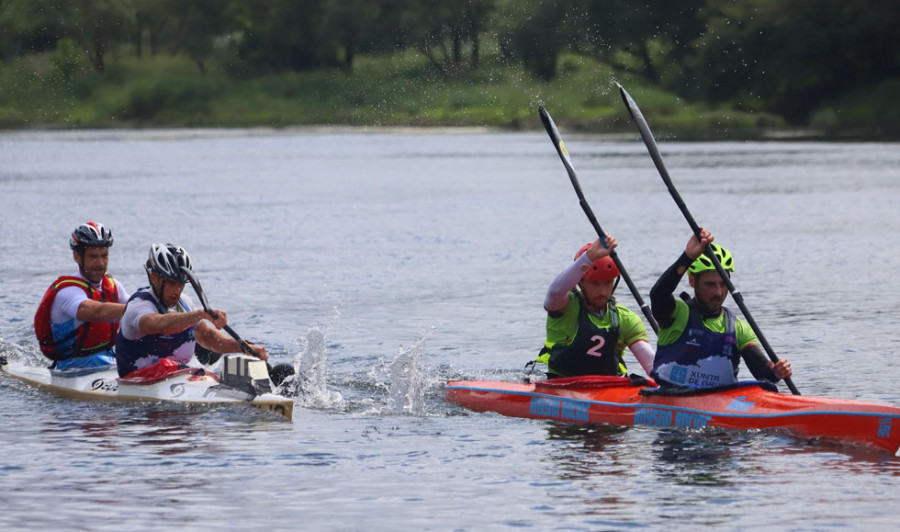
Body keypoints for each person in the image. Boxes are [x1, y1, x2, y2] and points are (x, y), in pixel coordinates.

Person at [649, 228, 792, 389]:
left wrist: (777, 371)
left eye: (723, 284)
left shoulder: (738, 328)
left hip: (721, 404)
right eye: (710, 284)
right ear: (692, 281)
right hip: (673, 399)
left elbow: (762, 372)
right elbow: (658, 294)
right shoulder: (677, 313)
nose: (718, 292)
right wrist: (687, 257)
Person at [115, 243, 269, 378]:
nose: (177, 290)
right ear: (155, 277)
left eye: (181, 283)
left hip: (180, 377)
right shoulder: (139, 304)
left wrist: (244, 347)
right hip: (136, 380)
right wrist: (201, 314)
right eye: (171, 283)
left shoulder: (185, 303)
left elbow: (209, 338)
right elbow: (155, 324)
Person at [535, 234, 655, 378]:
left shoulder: (627, 319)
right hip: (560, 383)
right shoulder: (564, 306)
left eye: (608, 282)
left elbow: (652, 365)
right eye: (595, 283)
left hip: (607, 390)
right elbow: (554, 292)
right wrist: (589, 257)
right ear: (580, 282)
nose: (603, 291)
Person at [34, 222, 128, 370]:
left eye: (104, 256)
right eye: (93, 257)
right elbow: (95, 311)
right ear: (77, 256)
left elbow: (138, 308)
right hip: (71, 365)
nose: (101, 263)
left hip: (108, 358)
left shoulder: (113, 285)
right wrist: (136, 308)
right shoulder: (67, 291)